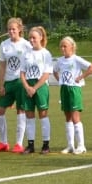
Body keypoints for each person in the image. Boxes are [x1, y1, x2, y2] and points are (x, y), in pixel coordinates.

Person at [0, 18, 29, 152]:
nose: (11, 31)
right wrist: (1, 85)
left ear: (19, 29)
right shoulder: (4, 45)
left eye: (14, 29)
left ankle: (19, 143)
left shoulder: (26, 44)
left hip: (20, 81)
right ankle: (3, 142)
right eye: (9, 29)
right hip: (8, 82)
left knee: (21, 110)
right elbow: (2, 66)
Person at [53, 36, 92, 154]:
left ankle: (81, 145)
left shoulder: (76, 59)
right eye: (61, 46)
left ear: (72, 47)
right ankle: (70, 145)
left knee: (75, 117)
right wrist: (60, 80)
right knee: (67, 117)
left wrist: (80, 77)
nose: (62, 48)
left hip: (74, 89)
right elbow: (54, 71)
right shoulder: (60, 60)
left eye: (65, 46)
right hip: (64, 89)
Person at [17, 25, 55, 154]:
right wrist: (27, 87)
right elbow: (22, 73)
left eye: (34, 37)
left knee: (43, 115)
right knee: (29, 116)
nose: (31, 40)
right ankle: (30, 145)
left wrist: (35, 88)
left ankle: (46, 145)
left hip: (40, 86)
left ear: (41, 38)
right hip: (28, 86)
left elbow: (46, 74)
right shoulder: (26, 53)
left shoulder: (46, 53)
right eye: (30, 38)